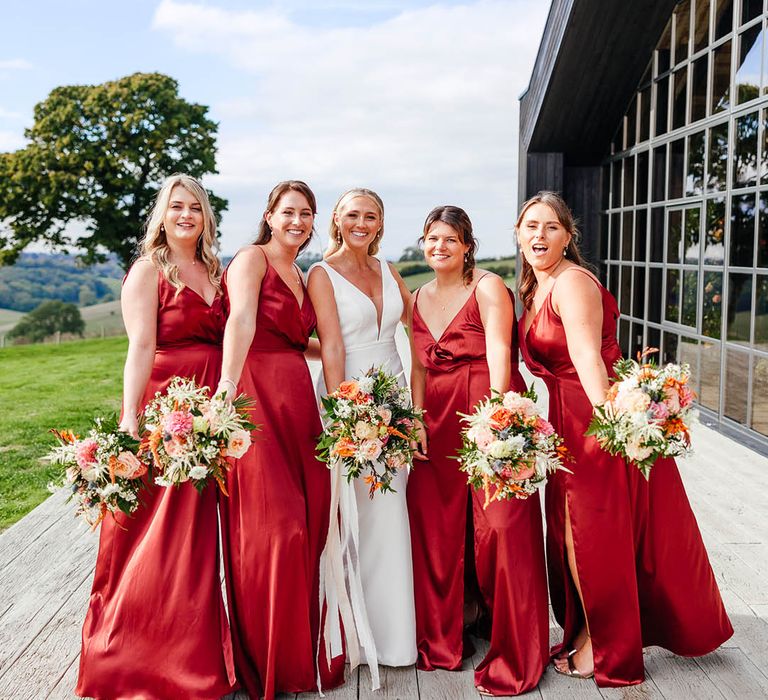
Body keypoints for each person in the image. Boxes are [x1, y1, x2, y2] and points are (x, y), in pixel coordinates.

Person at [516, 191, 733, 686]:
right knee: (574, 536)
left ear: (568, 236)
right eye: (530, 226)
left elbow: (589, 360)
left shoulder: (571, 283)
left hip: (595, 423)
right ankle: (590, 629)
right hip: (565, 424)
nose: (538, 236)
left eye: (550, 227)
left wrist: (612, 430)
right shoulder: (536, 287)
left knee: (592, 540)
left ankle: (605, 643)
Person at [77, 174, 236, 699]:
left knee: (205, 535)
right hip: (170, 414)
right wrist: (130, 419)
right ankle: (140, 656)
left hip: (216, 416)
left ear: (206, 216)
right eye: (176, 207)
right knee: (166, 533)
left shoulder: (215, 268)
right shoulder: (149, 271)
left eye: (195, 207)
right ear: (161, 215)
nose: (186, 215)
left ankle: (200, 646)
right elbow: (141, 348)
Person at [407, 205, 549, 696]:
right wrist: (416, 418)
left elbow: (498, 356)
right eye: (431, 239)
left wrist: (496, 422)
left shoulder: (487, 286)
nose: (439, 248)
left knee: (502, 526)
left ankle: (513, 643)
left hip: (488, 412)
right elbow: (420, 368)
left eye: (450, 239)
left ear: (468, 245)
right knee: (436, 527)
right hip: (437, 421)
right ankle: (444, 637)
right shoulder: (417, 296)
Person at [216, 180, 344, 699]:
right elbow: (243, 322)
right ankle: (263, 660)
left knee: (310, 524)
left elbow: (302, 341)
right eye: (288, 212)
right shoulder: (251, 259)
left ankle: (295, 655)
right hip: (254, 398)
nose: (298, 221)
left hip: (299, 403)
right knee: (275, 530)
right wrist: (226, 388)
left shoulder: (303, 273)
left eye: (306, 214)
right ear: (269, 216)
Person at [308, 188, 417, 672]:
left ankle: (397, 636)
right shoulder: (321, 274)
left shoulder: (390, 270)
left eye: (370, 215)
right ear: (336, 218)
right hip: (349, 400)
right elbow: (330, 346)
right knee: (356, 516)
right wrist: (343, 415)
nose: (361, 222)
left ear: (380, 224)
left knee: (392, 510)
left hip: (395, 398)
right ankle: (356, 636)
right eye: (352, 213)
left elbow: (421, 326)